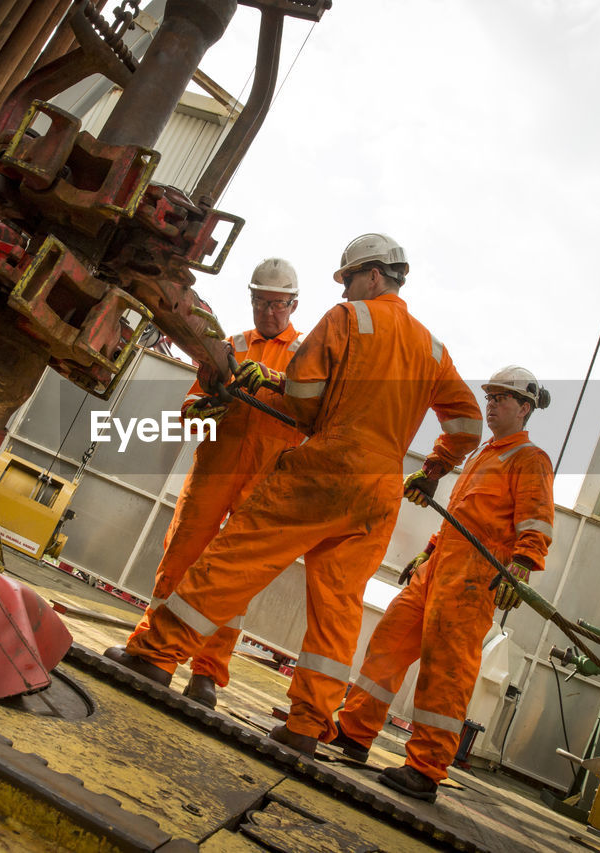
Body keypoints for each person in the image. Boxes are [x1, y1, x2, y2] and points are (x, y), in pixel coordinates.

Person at [108, 233, 483, 756]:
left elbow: (304, 397)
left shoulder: (346, 319)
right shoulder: (432, 348)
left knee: (234, 559)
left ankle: (156, 654)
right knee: (338, 609)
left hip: (326, 470)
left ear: (372, 275)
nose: (347, 289)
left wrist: (295, 405)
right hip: (379, 492)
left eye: (349, 278)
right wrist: (438, 465)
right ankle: (307, 725)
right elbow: (468, 425)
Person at [326, 366, 555, 803]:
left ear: (525, 408)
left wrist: (522, 565)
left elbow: (536, 521)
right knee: (388, 643)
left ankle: (425, 769)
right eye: (489, 396)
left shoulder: (529, 459)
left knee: (446, 669)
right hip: (440, 567)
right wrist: (427, 554)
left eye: (502, 398)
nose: (492, 404)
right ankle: (354, 734)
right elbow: (462, 517)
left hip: (475, 577)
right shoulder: (485, 454)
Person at [113, 258, 307, 709]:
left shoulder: (305, 357)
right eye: (262, 302)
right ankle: (149, 650)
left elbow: (313, 414)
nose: (270, 313)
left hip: (264, 478)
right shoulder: (229, 345)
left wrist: (277, 384)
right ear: (252, 300)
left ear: (294, 304)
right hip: (214, 469)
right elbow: (193, 405)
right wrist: (198, 414)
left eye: (278, 305)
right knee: (179, 555)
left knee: (231, 580)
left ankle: (206, 673)